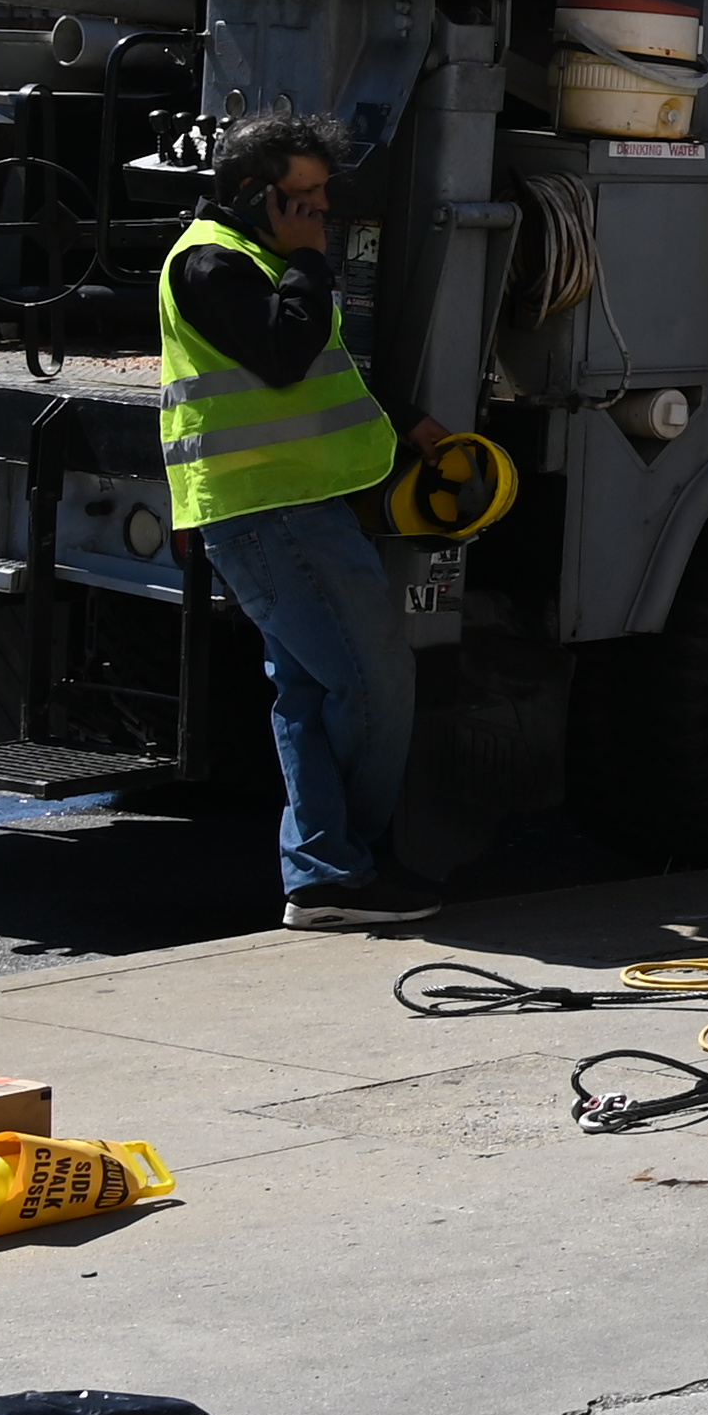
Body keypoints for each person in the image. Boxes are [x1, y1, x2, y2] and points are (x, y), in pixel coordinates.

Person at [158, 109, 429, 933]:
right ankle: (343, 866)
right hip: (273, 515)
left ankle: (322, 872)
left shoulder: (256, 259)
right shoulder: (212, 262)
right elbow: (284, 356)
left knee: (310, 695)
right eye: (301, 199)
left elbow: (321, 372)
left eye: (322, 198)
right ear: (252, 194)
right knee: (374, 682)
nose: (319, 214)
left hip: (284, 509)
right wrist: (312, 263)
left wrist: (407, 422)